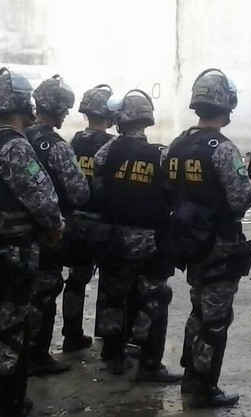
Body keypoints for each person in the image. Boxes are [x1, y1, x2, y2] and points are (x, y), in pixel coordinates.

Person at [162, 68, 251, 408]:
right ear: (226, 104)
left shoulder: (177, 144)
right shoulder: (223, 148)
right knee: (215, 318)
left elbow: (167, 188)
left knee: (198, 309)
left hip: (188, 241)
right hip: (220, 243)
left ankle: (192, 377)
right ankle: (203, 387)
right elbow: (242, 198)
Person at [0, 68, 64, 417]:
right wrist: (55, 227)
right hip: (18, 250)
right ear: (21, 104)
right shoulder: (16, 146)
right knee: (14, 327)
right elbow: (41, 197)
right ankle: (8, 404)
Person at [92, 89, 180, 382]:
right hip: (149, 240)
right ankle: (150, 364)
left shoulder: (106, 152)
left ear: (120, 119)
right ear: (147, 119)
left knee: (114, 295)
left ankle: (114, 354)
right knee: (154, 297)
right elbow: (171, 195)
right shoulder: (161, 155)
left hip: (113, 237)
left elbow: (98, 191)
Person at [24, 75, 89, 375]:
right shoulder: (56, 146)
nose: (66, 115)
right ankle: (38, 356)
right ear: (58, 108)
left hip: (18, 232)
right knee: (46, 290)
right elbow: (79, 191)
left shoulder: (18, 137)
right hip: (49, 230)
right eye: (65, 109)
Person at [62, 84, 115, 352]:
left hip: (75, 219)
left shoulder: (75, 140)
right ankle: (107, 335)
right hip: (101, 220)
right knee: (108, 280)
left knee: (76, 278)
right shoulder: (110, 144)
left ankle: (71, 333)